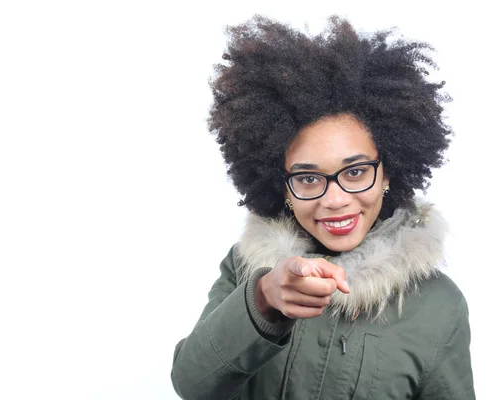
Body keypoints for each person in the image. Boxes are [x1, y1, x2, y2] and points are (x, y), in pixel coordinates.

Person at [171, 15, 475, 400]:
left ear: (387, 174)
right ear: (282, 188)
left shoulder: (439, 306)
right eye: (309, 179)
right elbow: (192, 385)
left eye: (356, 171)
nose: (335, 200)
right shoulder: (246, 268)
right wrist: (263, 299)